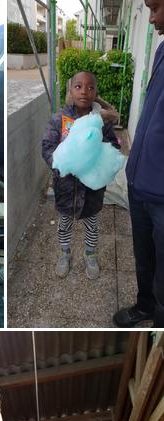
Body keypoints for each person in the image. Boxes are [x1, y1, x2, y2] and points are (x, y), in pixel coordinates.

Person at [41, 71, 121, 279]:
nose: (84, 91)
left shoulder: (101, 122)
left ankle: (90, 255)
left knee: (92, 225)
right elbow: (47, 147)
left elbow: (112, 146)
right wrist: (60, 164)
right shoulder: (59, 119)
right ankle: (64, 253)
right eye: (78, 86)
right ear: (70, 90)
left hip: (91, 192)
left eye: (90, 87)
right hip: (66, 188)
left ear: (96, 93)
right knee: (64, 224)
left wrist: (99, 161)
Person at [114, 0, 164, 327]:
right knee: (143, 260)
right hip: (139, 182)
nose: (151, 19)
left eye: (157, 8)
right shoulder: (161, 51)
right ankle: (144, 306)